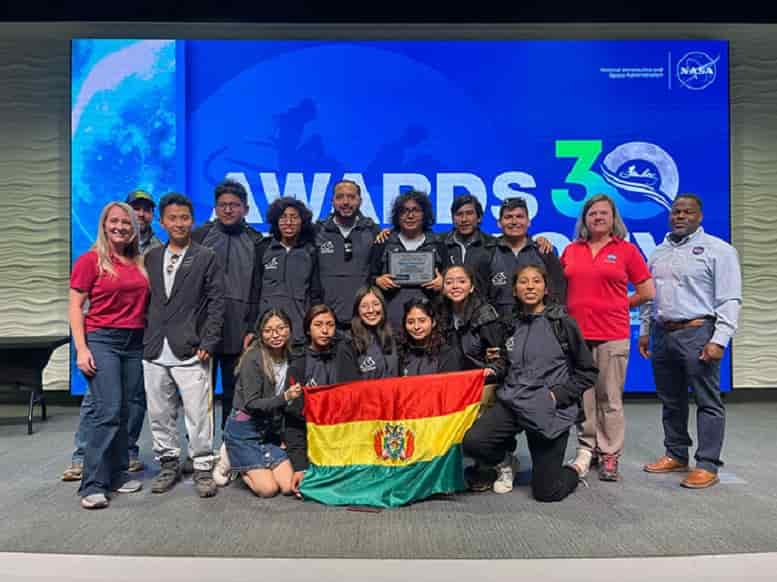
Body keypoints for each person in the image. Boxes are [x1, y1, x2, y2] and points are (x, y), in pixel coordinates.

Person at [462, 264, 598, 502]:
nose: (530, 286)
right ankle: (507, 463)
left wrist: (557, 396)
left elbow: (587, 371)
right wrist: (491, 370)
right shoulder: (510, 324)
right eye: (523, 282)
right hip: (513, 402)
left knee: (547, 492)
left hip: (549, 409)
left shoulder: (562, 323)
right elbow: (506, 363)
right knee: (473, 442)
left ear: (546, 288)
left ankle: (577, 467)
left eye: (536, 281)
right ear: (514, 290)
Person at [640, 194, 742, 489]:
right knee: (671, 400)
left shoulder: (718, 250)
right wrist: (645, 331)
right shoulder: (658, 252)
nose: (680, 216)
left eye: (688, 212)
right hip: (662, 332)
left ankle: (708, 464)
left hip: (698, 331)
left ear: (700, 216)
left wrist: (720, 339)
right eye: (676, 211)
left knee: (707, 401)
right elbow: (650, 297)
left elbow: (729, 298)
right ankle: (676, 453)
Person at [63, 190, 161, 481]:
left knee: (128, 407)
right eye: (114, 221)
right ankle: (89, 475)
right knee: (105, 408)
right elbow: (75, 307)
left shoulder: (144, 258)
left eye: (127, 222)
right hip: (103, 339)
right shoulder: (90, 260)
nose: (120, 226)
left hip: (135, 341)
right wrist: (81, 349)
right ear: (105, 224)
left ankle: (119, 467)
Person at [561, 194, 655, 481]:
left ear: (613, 218)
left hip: (612, 335)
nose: (598, 217)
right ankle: (587, 448)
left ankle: (610, 454)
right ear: (585, 219)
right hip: (577, 336)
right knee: (584, 398)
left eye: (604, 213)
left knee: (609, 398)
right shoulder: (571, 250)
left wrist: (618, 304)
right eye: (592, 213)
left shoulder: (626, 251)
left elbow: (647, 292)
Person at [142, 193, 225, 498]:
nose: (179, 223)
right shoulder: (150, 257)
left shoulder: (206, 256)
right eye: (172, 218)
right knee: (159, 411)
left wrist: (209, 339)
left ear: (192, 220)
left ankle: (202, 465)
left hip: (191, 347)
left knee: (198, 412)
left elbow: (217, 302)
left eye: (184, 218)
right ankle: (168, 463)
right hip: (153, 347)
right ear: (162, 221)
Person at [192, 179, 263, 429]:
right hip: (204, 330)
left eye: (234, 205)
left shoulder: (256, 241)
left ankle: (230, 449)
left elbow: (259, 289)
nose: (228, 210)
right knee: (201, 394)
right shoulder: (200, 236)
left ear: (246, 208)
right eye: (223, 205)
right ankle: (200, 452)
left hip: (240, 330)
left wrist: (253, 328)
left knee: (236, 394)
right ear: (215, 208)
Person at [219, 309, 305, 497]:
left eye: (281, 328)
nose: (275, 335)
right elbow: (252, 404)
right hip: (245, 430)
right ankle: (232, 457)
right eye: (268, 330)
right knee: (268, 489)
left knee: (287, 486)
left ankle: (250, 462)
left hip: (268, 431)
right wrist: (286, 397)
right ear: (260, 333)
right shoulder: (253, 359)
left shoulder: (292, 355)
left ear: (290, 329)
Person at [370, 190, 446, 330]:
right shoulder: (383, 242)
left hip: (429, 317)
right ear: (397, 216)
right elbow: (369, 277)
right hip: (391, 317)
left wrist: (443, 283)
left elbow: (449, 276)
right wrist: (377, 281)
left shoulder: (438, 243)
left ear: (425, 214)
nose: (410, 215)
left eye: (416, 210)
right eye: (404, 211)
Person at [251, 197, 322, 345]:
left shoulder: (311, 252)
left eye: (294, 217)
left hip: (299, 332)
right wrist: (251, 329)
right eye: (283, 217)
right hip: (267, 330)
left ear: (302, 222)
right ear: (276, 221)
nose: (288, 222)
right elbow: (254, 291)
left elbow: (315, 294)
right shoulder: (262, 249)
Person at [315, 180, 381, 330]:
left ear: (360, 201)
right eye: (340, 197)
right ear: (332, 201)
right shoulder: (317, 232)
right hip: (326, 322)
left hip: (364, 319)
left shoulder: (373, 231)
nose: (345, 202)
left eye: (351, 197)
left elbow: (378, 272)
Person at [488, 197, 566, 319]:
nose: (514, 222)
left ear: (528, 221)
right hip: (497, 328)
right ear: (499, 223)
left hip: (538, 326)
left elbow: (559, 288)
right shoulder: (488, 252)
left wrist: (551, 320)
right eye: (508, 217)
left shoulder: (543, 251)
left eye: (519, 216)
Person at [442, 194, 496, 293]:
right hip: (447, 306)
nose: (464, 219)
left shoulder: (492, 245)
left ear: (479, 217)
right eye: (459, 214)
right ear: (453, 219)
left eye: (469, 213)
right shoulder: (440, 244)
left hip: (481, 305)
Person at [397, 298, 461, 376]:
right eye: (410, 322)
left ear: (433, 322)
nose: (416, 327)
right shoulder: (401, 352)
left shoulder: (447, 354)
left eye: (422, 321)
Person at [347, 286, 399, 380]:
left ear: (383, 307)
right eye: (364, 306)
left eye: (376, 304)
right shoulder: (349, 342)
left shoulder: (393, 337)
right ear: (357, 310)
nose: (371, 310)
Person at [126, 189, 163, 255]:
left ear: (152, 215)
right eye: (136, 208)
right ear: (125, 212)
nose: (141, 214)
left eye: (147, 210)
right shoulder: (114, 243)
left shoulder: (160, 248)